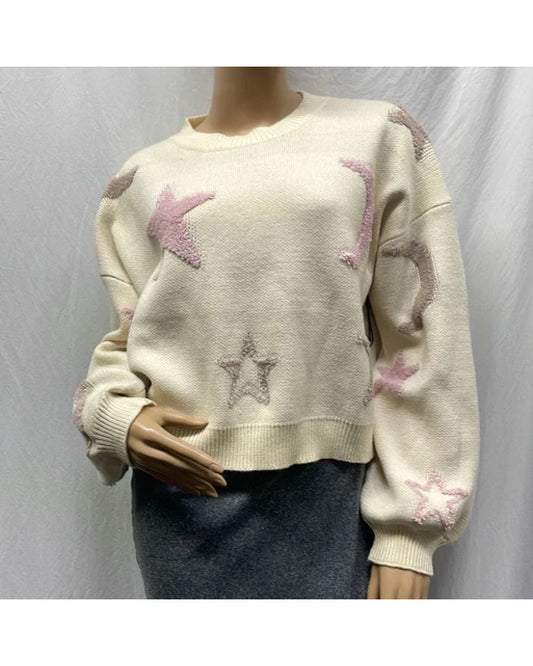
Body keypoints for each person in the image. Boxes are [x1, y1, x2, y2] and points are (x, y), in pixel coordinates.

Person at [72, 67, 480, 599]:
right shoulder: (139, 178)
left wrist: (408, 533)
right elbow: (125, 342)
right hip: (181, 499)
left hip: (328, 493)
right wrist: (115, 418)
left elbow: (422, 336)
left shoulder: (380, 134)